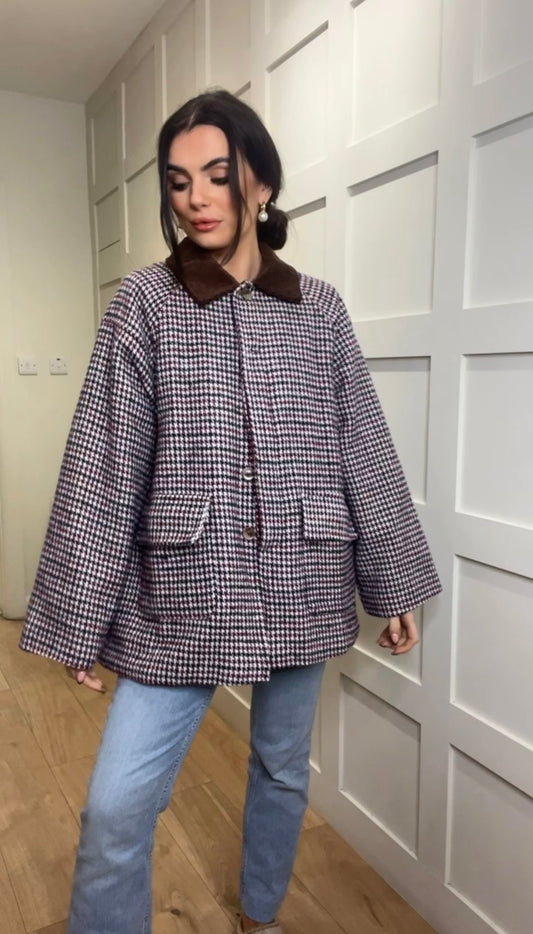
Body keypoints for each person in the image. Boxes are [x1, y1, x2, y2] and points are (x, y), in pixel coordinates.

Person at [19, 89, 442, 934]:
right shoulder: (144, 304)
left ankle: (259, 915)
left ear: (261, 184)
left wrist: (393, 580)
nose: (196, 199)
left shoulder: (318, 309)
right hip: (182, 591)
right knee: (113, 811)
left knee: (281, 769)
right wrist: (77, 620)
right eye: (178, 183)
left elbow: (361, 443)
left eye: (217, 175)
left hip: (301, 574)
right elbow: (105, 464)